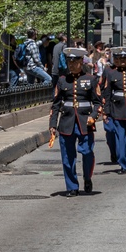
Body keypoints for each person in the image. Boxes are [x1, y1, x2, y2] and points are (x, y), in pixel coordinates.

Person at [50, 48, 101, 196]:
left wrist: (93, 116)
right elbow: (55, 104)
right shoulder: (62, 80)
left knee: (87, 152)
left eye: (75, 62)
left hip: (85, 123)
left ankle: (87, 176)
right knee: (67, 157)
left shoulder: (90, 80)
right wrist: (53, 125)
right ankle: (72, 187)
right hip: (66, 123)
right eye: (69, 62)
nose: (71, 65)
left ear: (81, 62)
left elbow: (98, 103)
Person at [101, 46, 126, 174]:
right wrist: (106, 112)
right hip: (117, 110)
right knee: (120, 139)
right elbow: (107, 94)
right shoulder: (112, 73)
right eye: (118, 58)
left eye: (124, 58)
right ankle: (123, 164)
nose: (121, 61)